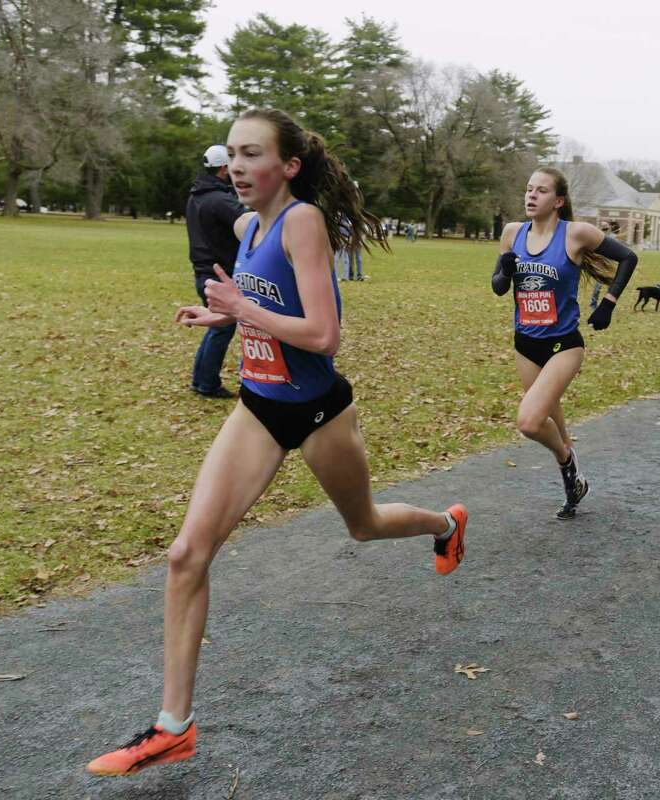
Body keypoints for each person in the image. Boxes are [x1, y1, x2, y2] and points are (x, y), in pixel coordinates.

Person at [85, 108, 469, 777]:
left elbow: (322, 335)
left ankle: (444, 523)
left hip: (319, 412)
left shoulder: (302, 222)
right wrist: (222, 313)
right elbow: (267, 299)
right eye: (232, 152)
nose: (236, 165)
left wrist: (240, 310)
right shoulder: (251, 224)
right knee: (186, 554)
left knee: (365, 524)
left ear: (288, 166)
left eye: (252, 153)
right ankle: (174, 725)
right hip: (259, 406)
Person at [492, 167, 636, 519]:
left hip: (563, 345)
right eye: (528, 189)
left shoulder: (576, 234)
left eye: (541, 191)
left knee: (529, 421)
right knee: (552, 423)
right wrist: (505, 271)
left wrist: (609, 303)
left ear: (558, 201)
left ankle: (566, 460)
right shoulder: (512, 233)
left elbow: (628, 258)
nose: (531, 195)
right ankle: (574, 479)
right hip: (525, 344)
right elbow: (498, 287)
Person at [186, 145, 246, 399]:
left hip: (202, 271)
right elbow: (251, 225)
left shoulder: (196, 196)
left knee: (217, 328)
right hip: (220, 273)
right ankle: (207, 384)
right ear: (224, 169)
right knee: (222, 329)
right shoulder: (221, 200)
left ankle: (201, 380)